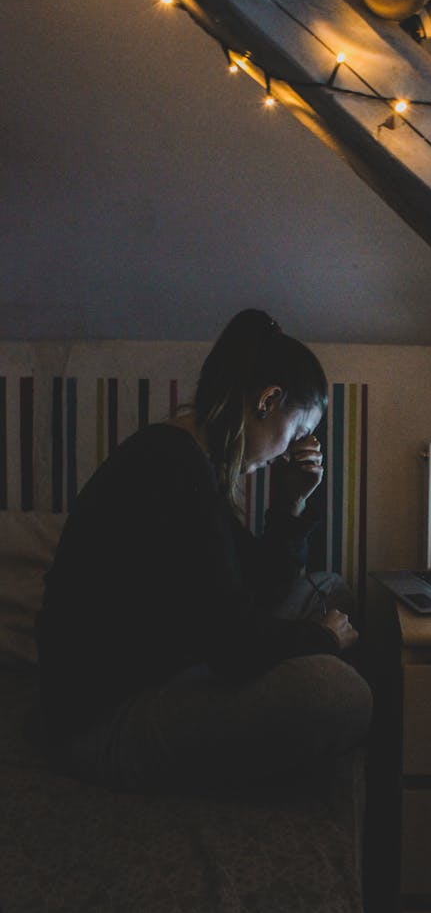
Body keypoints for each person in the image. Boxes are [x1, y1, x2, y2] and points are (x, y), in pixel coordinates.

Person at [36, 309, 372, 794]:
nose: (289, 451)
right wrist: (321, 641)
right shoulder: (170, 470)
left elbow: (256, 584)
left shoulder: (189, 459)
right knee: (342, 693)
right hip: (104, 722)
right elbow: (236, 646)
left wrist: (291, 501)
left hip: (170, 663)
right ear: (268, 400)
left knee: (330, 591)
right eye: (296, 434)